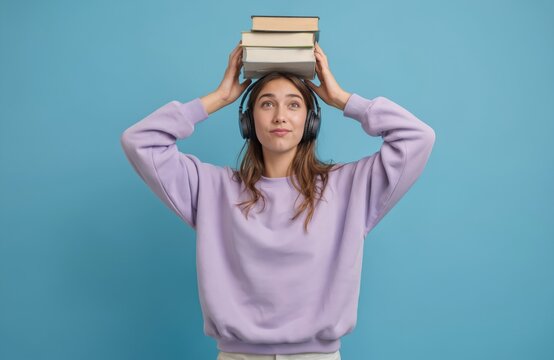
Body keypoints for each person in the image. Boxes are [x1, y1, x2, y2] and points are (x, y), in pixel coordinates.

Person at [120, 41, 435, 360]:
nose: (280, 116)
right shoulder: (212, 188)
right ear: (248, 121)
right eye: (267, 104)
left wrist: (343, 99)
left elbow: (417, 138)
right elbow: (140, 141)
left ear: (311, 121)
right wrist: (219, 98)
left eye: (294, 105)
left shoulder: (348, 187)